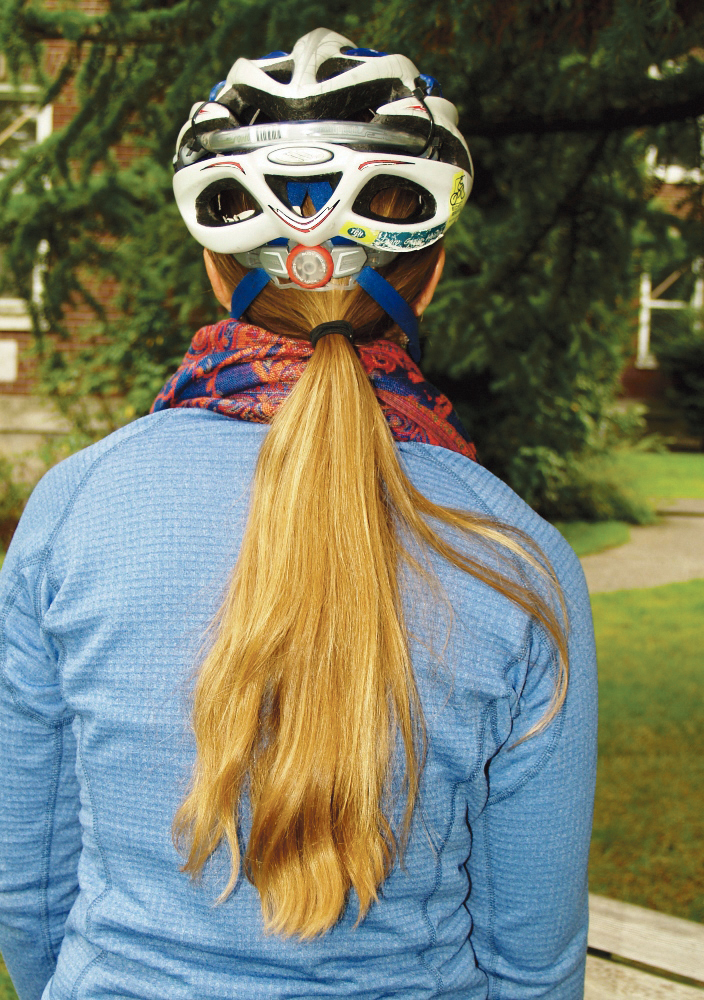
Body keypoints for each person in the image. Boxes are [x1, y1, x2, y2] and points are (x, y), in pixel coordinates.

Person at [0, 28, 597, 1000]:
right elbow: (531, 961)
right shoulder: (523, 560)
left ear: (211, 262)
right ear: (430, 270)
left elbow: (25, 886)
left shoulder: (75, 508)